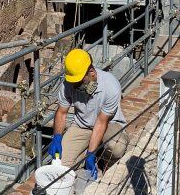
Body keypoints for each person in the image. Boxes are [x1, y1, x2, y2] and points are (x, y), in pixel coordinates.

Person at [48, 48, 128, 179]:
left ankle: (105, 162)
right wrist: (57, 137)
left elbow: (101, 122)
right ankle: (87, 152)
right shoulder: (69, 83)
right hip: (82, 126)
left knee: (116, 147)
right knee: (60, 165)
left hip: (109, 125)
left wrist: (91, 153)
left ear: (91, 72)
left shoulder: (110, 86)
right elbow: (62, 112)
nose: (76, 86)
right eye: (74, 82)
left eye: (80, 82)